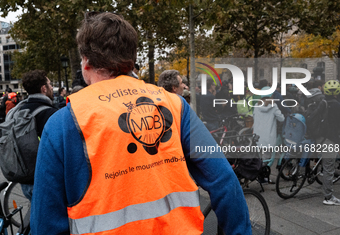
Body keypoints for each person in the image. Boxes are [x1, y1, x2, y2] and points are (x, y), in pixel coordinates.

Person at [31, 12, 251, 235]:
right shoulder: (174, 105)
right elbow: (224, 181)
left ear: (86, 62)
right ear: (132, 59)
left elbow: (45, 222)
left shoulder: (63, 122)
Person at [19, 70, 58, 201]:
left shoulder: (19, 110)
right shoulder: (49, 113)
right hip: (45, 179)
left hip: (24, 177)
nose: (52, 87)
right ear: (43, 89)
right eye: (50, 84)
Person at [253, 86, 284, 183]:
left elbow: (254, 117)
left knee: (260, 157)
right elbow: (281, 119)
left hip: (257, 136)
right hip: (268, 136)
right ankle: (263, 177)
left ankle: (260, 176)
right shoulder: (273, 106)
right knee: (266, 158)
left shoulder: (256, 106)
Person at [319, 80, 340, 205]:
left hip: (319, 137)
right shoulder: (337, 105)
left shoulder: (322, 102)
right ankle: (328, 197)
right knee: (329, 169)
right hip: (330, 139)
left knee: (326, 165)